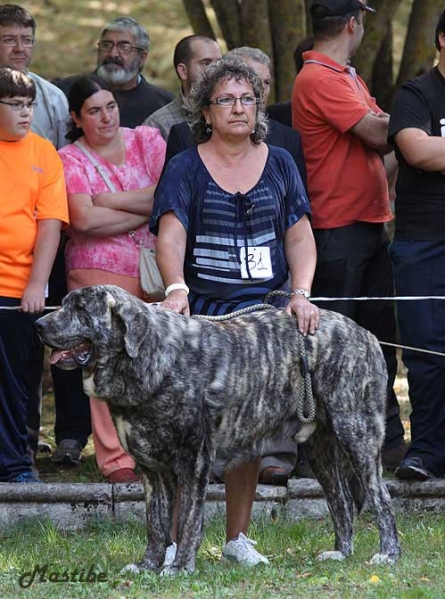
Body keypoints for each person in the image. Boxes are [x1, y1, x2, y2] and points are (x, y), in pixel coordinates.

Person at [150, 58, 318, 566]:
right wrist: (176, 287)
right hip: (201, 318)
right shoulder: (184, 165)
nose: (238, 108)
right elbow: (170, 234)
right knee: (187, 433)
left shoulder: (282, 161)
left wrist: (301, 292)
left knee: (248, 431)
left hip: (262, 318)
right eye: (226, 99)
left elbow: (299, 235)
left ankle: (236, 540)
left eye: (247, 98)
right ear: (206, 110)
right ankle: (177, 542)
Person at [292, 0, 406, 471]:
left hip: (369, 224)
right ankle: (322, 452)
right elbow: (383, 134)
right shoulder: (318, 77)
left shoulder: (348, 76)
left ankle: (387, 441)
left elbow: (387, 142)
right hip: (336, 229)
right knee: (334, 347)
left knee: (380, 341)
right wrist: (416, 129)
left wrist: (410, 138)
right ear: (353, 24)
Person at [58, 75, 166, 483]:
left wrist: (107, 202)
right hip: (96, 270)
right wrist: (144, 207)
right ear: (76, 117)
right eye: (93, 111)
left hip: (154, 269)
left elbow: (166, 195)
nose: (106, 117)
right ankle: (116, 460)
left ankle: (155, 451)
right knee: (105, 363)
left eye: (111, 107)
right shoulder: (69, 158)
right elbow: (83, 220)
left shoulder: (147, 140)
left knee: (155, 362)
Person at [0, 3, 71, 464]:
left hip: (21, 288)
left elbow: (50, 224)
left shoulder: (45, 151)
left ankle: (18, 464)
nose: (27, 113)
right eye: (16, 106)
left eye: (29, 106)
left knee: (20, 380)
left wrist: (35, 284)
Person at [388, 10, 445, 481]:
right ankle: (425, 449)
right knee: (424, 350)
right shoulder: (416, 94)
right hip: (422, 241)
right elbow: (417, 151)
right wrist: (431, 150)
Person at [165, 47, 307, 191]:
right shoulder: (183, 140)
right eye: (227, 99)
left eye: (266, 82)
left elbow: (299, 208)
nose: (261, 89)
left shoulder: (288, 142)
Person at [55, 17, 173, 129]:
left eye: (124, 47)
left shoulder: (163, 105)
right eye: (106, 45)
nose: (113, 54)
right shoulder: (64, 92)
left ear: (142, 58)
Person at [143, 34, 221, 140]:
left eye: (219, 63)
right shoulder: (158, 125)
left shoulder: (235, 112)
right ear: (183, 71)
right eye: (206, 64)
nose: (217, 70)